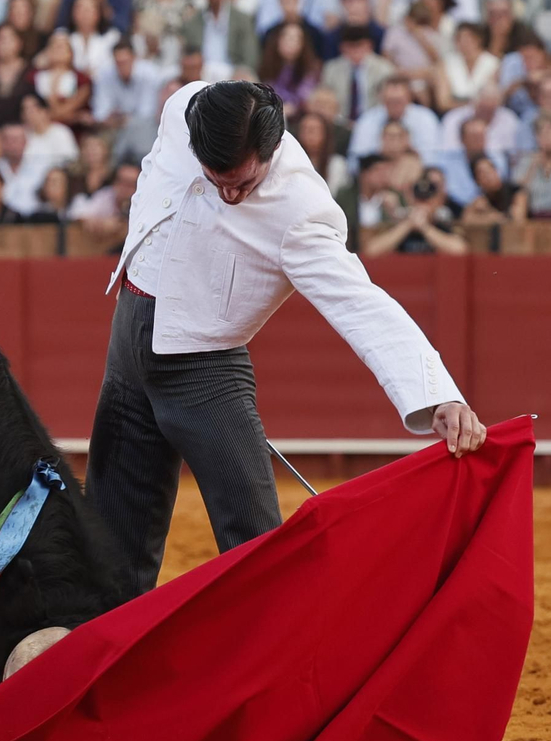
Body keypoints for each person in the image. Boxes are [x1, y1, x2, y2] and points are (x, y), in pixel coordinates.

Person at [89, 80, 486, 592]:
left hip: (204, 369)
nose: (230, 194)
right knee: (110, 532)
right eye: (215, 178)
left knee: (255, 538)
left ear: (271, 149)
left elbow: (359, 302)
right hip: (126, 341)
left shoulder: (299, 208)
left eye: (243, 183)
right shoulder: (181, 108)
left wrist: (437, 394)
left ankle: (276, 644)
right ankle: (105, 641)